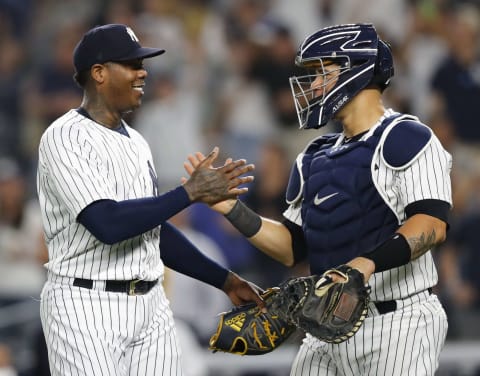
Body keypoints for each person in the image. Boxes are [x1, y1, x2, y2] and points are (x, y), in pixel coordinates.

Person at [185, 23, 452, 375]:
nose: (312, 85)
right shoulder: (314, 156)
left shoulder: (407, 137)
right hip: (325, 324)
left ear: (356, 71)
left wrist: (366, 263)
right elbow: (292, 248)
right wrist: (231, 208)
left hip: (397, 320)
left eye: (322, 73)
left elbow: (432, 224)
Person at [36, 23, 265, 376]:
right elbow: (107, 223)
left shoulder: (137, 142)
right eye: (130, 64)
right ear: (98, 73)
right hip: (85, 305)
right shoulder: (65, 137)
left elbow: (152, 231)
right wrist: (190, 193)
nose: (142, 72)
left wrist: (226, 281)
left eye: (141, 63)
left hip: (151, 305)